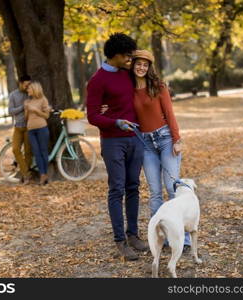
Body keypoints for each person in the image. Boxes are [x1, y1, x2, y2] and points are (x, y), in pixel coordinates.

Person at [86, 33, 148, 261]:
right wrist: (115, 122)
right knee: (117, 189)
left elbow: (145, 80)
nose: (131, 59)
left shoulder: (128, 74)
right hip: (113, 141)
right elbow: (92, 116)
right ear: (116, 55)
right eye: (128, 55)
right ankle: (120, 241)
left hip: (135, 139)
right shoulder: (97, 80)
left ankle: (133, 235)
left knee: (133, 186)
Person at [131, 50, 191, 251]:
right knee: (155, 192)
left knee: (172, 188)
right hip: (146, 144)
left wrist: (177, 139)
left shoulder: (158, 86)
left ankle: (184, 237)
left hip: (165, 139)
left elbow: (169, 113)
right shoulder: (128, 89)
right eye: (138, 64)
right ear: (132, 65)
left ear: (149, 67)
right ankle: (160, 236)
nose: (141, 67)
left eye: (145, 64)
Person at [24, 81, 51, 186]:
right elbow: (27, 118)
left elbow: (46, 116)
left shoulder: (43, 100)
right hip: (31, 130)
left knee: (43, 151)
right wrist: (26, 109)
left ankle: (44, 174)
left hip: (42, 128)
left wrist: (35, 110)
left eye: (29, 89)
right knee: (36, 153)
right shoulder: (28, 101)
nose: (28, 90)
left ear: (35, 89)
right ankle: (43, 174)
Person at [8, 75, 33, 184]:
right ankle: (26, 173)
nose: (28, 86)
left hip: (29, 126)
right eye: (26, 84)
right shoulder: (13, 95)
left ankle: (25, 177)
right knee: (15, 149)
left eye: (29, 84)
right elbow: (11, 111)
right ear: (21, 83)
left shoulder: (30, 94)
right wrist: (23, 107)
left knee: (28, 152)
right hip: (18, 127)